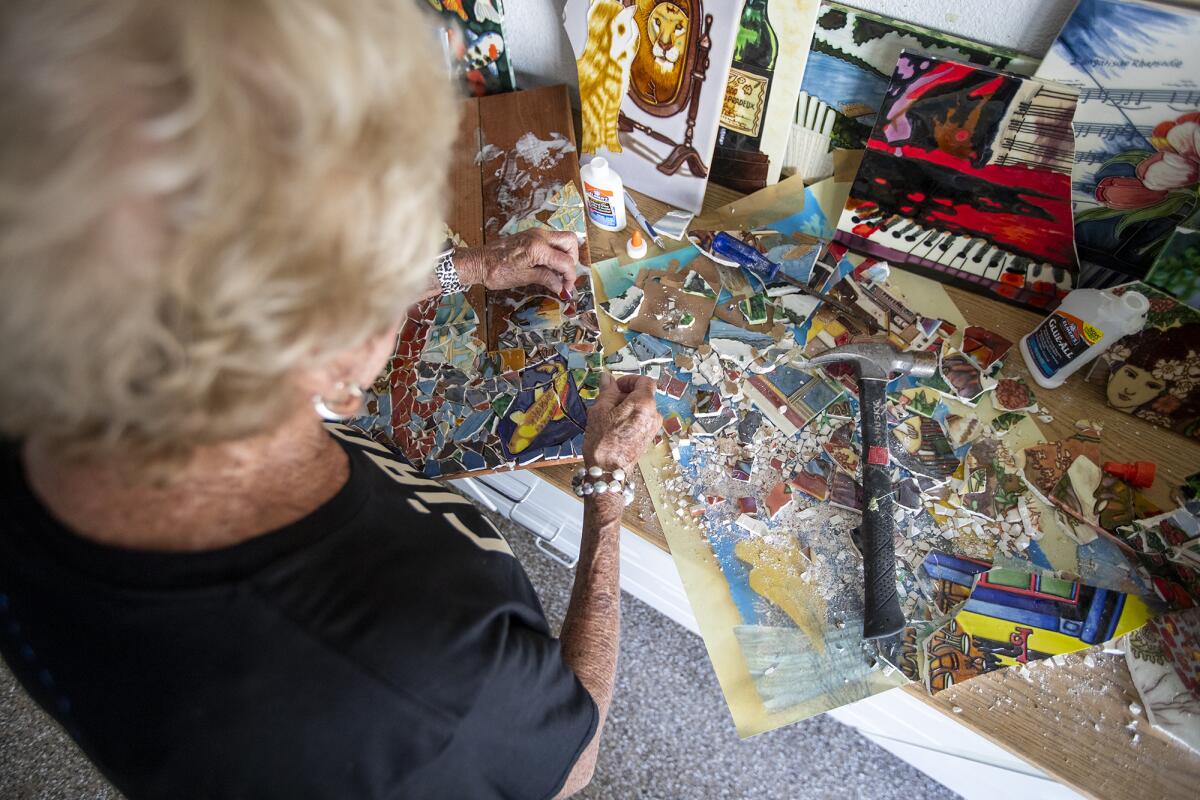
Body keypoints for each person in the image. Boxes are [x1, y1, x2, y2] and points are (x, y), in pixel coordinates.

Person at [0, 2, 662, 798]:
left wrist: (476, 269)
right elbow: (573, 756)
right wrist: (606, 486)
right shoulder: (424, 669)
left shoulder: (54, 353)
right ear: (343, 348)